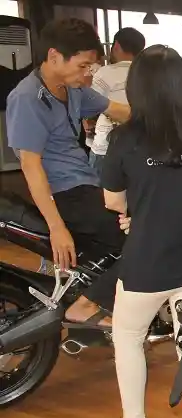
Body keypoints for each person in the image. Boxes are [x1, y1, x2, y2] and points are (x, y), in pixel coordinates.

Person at [97, 45, 182, 418]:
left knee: (128, 337)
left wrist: (139, 213)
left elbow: (113, 202)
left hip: (146, 260)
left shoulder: (124, 138)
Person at [6, 18, 131, 327]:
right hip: (63, 195)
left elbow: (119, 111)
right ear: (54, 56)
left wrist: (167, 118)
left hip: (87, 184)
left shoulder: (73, 89)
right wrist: (56, 227)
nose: (88, 74)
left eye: (91, 67)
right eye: (83, 66)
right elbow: (31, 167)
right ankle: (87, 305)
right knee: (142, 234)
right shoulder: (27, 98)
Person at [90, 27, 145, 171]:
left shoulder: (104, 73)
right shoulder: (148, 74)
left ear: (116, 46)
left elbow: (89, 106)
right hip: (141, 147)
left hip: (106, 148)